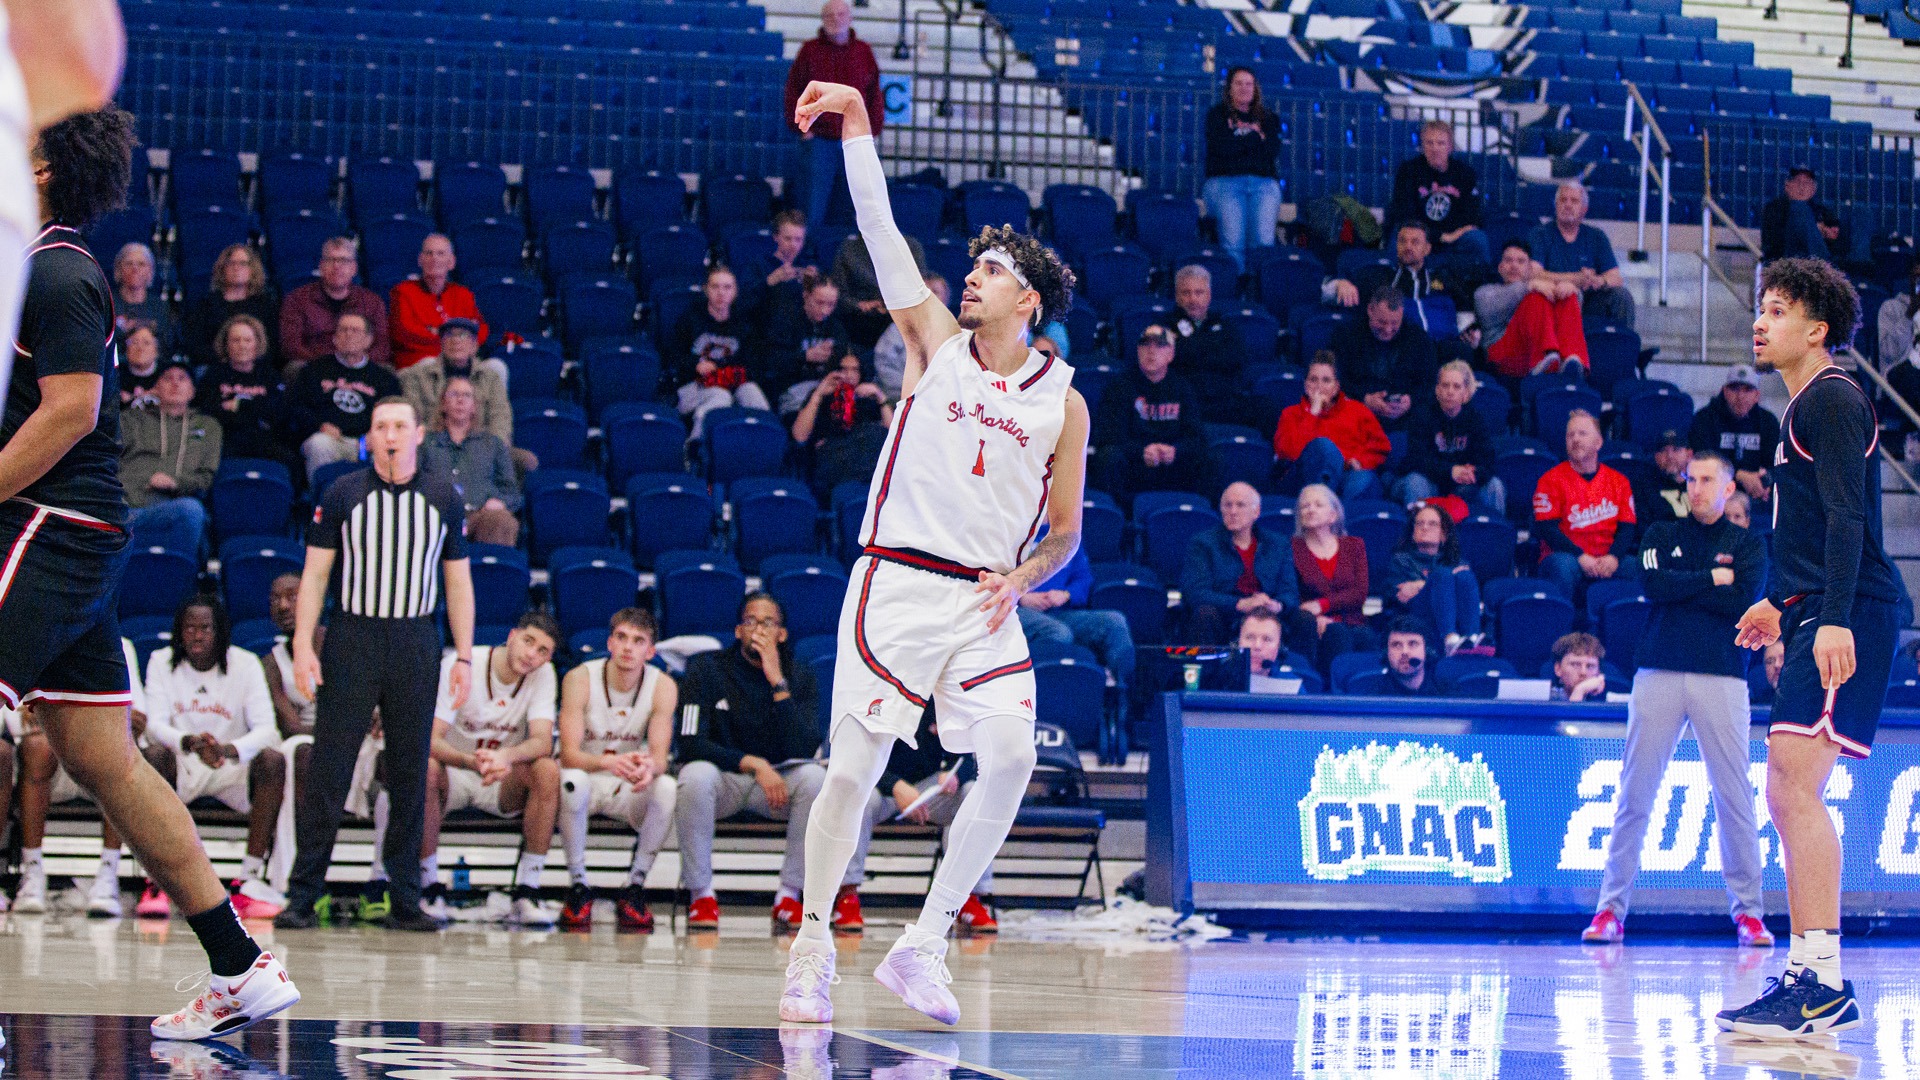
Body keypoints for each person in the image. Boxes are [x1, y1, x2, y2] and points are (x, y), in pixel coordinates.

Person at [783, 80, 1090, 1027]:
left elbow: (1067, 532)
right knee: (849, 774)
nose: (972, 278)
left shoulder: (1065, 402)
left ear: (1027, 299)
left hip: (982, 604)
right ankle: (811, 948)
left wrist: (1024, 578)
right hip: (896, 584)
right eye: (973, 267)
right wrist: (857, 125)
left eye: (990, 270)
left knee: (1009, 755)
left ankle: (923, 943)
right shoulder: (935, 343)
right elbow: (879, 229)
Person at [0, 105, 299, 1040]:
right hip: (75, 533)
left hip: (50, 525)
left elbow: (70, 412)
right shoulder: (31, 267)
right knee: (104, 759)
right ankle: (240, 966)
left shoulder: (57, 271)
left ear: (42, 170)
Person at [1722, 259, 1900, 1039]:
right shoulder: (1805, 405)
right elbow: (1807, 526)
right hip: (1820, 606)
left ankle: (1821, 981)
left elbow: (1847, 519)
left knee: (1794, 788)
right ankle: (1810, 976)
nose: (1760, 323)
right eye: (1761, 309)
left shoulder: (1831, 398)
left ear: (1816, 328)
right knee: (1787, 789)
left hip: (1847, 610)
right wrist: (1779, 598)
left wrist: (1831, 617)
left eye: (1777, 309)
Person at [276, 396, 476, 934]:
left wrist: (463, 654)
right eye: (381, 426)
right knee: (330, 768)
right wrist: (303, 643)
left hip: (416, 639)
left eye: (400, 426)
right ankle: (303, 895)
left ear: (418, 434)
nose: (390, 435)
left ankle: (405, 899)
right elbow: (315, 575)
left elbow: (458, 581)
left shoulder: (443, 497)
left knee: (410, 771)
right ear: (369, 436)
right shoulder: (342, 493)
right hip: (353, 636)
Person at [1582, 452, 1772, 948]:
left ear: (1728, 489)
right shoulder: (1660, 534)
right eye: (1691, 479)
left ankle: (1749, 914)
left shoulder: (1748, 544)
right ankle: (1609, 910)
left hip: (1722, 674)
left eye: (1707, 480)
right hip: (1659, 669)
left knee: (1734, 797)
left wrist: (1687, 586)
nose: (1697, 488)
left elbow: (1744, 601)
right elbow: (1653, 586)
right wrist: (1712, 578)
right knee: (1635, 794)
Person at [674, 593, 846, 930]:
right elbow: (690, 743)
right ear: (738, 630)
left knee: (814, 779)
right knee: (694, 776)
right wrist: (752, 763)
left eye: (768, 623)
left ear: (782, 634)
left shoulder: (800, 675)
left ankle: (789, 895)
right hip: (726, 779)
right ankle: (701, 895)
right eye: (751, 621)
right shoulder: (706, 669)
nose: (759, 629)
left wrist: (777, 682)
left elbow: (804, 746)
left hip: (778, 786)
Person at [140, 596, 287, 920]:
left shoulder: (246, 663)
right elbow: (154, 725)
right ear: (179, 632)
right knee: (153, 755)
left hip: (230, 763)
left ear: (219, 631)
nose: (196, 636)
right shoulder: (160, 661)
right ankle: (157, 882)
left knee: (273, 760)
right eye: (189, 628)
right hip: (183, 761)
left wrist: (228, 750)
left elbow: (267, 729)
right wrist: (190, 742)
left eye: (205, 628)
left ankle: (248, 879)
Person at [423, 611, 562, 926]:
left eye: (543, 651)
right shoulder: (462, 664)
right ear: (512, 636)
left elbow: (543, 742)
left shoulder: (544, 674)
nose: (532, 654)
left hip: (502, 778)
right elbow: (430, 739)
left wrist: (506, 757)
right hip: (455, 771)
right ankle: (428, 886)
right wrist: (470, 761)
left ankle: (528, 890)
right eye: (528, 641)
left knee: (546, 770)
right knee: (426, 767)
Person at [555, 607, 678, 932]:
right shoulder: (579, 678)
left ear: (650, 651)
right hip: (588, 778)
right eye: (621, 637)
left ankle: (635, 885)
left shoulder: (663, 686)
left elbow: (660, 758)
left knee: (666, 787)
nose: (628, 647)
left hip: (627, 786)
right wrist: (607, 762)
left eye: (638, 641)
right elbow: (568, 756)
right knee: (571, 781)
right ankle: (578, 885)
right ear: (609, 643)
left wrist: (649, 767)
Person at [8, 637, 145, 918]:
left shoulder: (117, 643)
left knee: (115, 748)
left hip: (97, 759)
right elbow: (13, 716)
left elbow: (139, 717)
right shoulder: (30, 636)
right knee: (37, 747)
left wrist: (62, 716)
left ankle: (107, 877)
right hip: (48, 765)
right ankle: (32, 875)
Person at [872, 704, 997, 932]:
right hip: (880, 788)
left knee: (972, 794)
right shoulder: (883, 693)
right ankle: (845, 895)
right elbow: (861, 757)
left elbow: (967, 758)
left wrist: (954, 775)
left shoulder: (943, 696)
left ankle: (968, 897)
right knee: (856, 799)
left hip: (927, 792)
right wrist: (895, 785)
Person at [783, 0, 881, 230]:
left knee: (850, 207)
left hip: (854, 141)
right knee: (813, 208)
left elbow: (874, 94)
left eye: (841, 14)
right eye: (830, 15)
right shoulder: (809, 51)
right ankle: (810, 252)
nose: (836, 19)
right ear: (822, 20)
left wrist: (872, 131)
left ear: (850, 18)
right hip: (819, 141)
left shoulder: (863, 52)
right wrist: (803, 129)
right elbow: (793, 91)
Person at [1017, 524, 1136, 712]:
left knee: (1113, 622)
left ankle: (1120, 698)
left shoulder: (1067, 537)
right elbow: (992, 577)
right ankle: (1044, 701)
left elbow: (1084, 579)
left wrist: (1067, 594)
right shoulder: (1013, 532)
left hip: (1060, 610)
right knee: (1058, 632)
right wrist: (1021, 597)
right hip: (1016, 611)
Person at [1093, 324, 1211, 503]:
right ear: (1138, 350)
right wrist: (1141, 452)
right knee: (1108, 457)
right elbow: (1108, 436)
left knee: (1210, 459)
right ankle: (1116, 513)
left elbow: (1196, 437)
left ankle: (1200, 512)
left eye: (1159, 345)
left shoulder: (1183, 388)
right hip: (1134, 463)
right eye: (1145, 344)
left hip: (1172, 463)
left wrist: (1176, 451)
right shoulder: (1119, 387)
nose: (1151, 350)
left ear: (1171, 354)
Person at [1534, 410, 1638, 605]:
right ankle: (1560, 622)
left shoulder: (1619, 481)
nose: (1575, 439)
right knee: (1563, 565)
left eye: (1582, 434)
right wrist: (1580, 557)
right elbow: (1547, 529)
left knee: (1637, 568)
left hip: (1606, 557)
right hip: (1567, 557)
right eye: (1570, 435)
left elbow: (1627, 528)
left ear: (1598, 443)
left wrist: (1614, 557)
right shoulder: (1550, 480)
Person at [287, 311, 403, 482]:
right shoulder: (313, 370)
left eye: (355, 330)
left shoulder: (384, 378)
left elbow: (395, 412)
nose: (349, 334)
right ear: (334, 338)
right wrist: (319, 425)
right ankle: (322, 497)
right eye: (343, 330)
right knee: (319, 444)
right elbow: (296, 408)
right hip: (329, 438)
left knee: (388, 450)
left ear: (368, 340)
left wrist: (379, 432)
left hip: (367, 441)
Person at [1181, 481, 1300, 645]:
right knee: (1205, 613)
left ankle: (1298, 662)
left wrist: (1277, 605)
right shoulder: (1202, 543)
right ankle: (1208, 661)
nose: (1233, 511)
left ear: (1256, 512)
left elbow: (1290, 591)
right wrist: (1239, 604)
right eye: (1227, 505)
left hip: (1267, 614)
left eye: (1240, 505)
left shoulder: (1278, 544)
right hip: (1225, 614)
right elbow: (1195, 593)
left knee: (1304, 618)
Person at [119, 362, 219, 556]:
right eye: (167, 378)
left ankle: (179, 571)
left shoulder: (208, 426)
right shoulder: (131, 419)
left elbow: (206, 478)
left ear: (193, 391)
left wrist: (175, 483)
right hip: (127, 507)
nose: (175, 383)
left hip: (172, 507)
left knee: (192, 510)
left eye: (182, 378)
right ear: (155, 388)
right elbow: (109, 461)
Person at [398, 316, 524, 466]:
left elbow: (500, 420)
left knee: (525, 461)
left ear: (475, 346)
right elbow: (414, 421)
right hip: (433, 452)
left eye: (463, 335)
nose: (456, 340)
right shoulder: (418, 376)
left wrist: (487, 451)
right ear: (441, 344)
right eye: (449, 335)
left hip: (481, 451)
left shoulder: (491, 377)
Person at [670, 264, 772, 438]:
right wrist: (695, 365)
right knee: (720, 396)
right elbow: (673, 358)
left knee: (753, 394)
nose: (721, 293)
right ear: (706, 290)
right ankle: (696, 445)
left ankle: (760, 445)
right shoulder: (690, 320)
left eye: (727, 287)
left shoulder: (744, 325)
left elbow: (753, 365)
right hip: (695, 386)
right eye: (715, 287)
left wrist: (722, 369)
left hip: (731, 381)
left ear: (735, 292)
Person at [419, 376, 521, 547]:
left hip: (480, 516)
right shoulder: (424, 443)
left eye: (466, 395)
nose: (460, 400)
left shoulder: (492, 444)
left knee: (501, 520)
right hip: (436, 516)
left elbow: (511, 492)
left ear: (474, 406)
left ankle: (489, 564)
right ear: (443, 404)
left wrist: (500, 502)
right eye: (454, 394)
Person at [1272, 354, 1387, 500]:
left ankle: (1333, 510)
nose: (1319, 386)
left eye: (1326, 380)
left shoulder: (1358, 411)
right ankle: (1321, 503)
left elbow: (1380, 447)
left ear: (1336, 387)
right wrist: (1312, 414)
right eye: (1313, 380)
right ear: (1305, 385)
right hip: (1302, 481)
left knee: (1364, 479)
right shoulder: (1290, 414)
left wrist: (1360, 461)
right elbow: (1290, 453)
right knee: (1323, 446)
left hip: (1345, 478)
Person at [1395, 360, 1503, 512]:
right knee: (1416, 481)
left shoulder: (1476, 419)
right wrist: (1451, 471)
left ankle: (1492, 526)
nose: (1450, 392)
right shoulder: (1422, 416)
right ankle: (1420, 525)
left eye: (1456, 386)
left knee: (1494, 485)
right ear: (1437, 390)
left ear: (1466, 393)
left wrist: (1474, 472)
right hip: (1429, 481)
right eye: (1445, 386)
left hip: (1461, 485)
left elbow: (1488, 461)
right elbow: (1416, 459)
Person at [1201, 66, 1280, 271]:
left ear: (1255, 88)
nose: (1244, 88)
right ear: (1229, 88)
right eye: (1238, 83)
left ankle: (1257, 286)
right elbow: (1223, 149)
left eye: (1248, 84)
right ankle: (1236, 285)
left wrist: (1239, 141)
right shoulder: (1216, 115)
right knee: (1232, 243)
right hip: (1226, 182)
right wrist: (1254, 137)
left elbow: (1271, 150)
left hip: (1262, 183)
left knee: (1262, 243)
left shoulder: (1269, 118)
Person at [1474, 238, 1588, 379]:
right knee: (1536, 296)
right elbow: (1487, 310)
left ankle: (1571, 360)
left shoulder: (1539, 286)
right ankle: (1545, 357)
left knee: (1567, 294)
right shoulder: (1485, 292)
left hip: (1535, 354)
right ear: (1500, 267)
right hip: (1502, 356)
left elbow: (1574, 308)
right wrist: (1529, 286)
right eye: (1508, 260)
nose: (1514, 266)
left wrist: (1572, 290)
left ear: (1529, 269)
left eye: (1521, 261)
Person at [279, 235, 391, 378]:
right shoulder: (297, 299)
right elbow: (290, 346)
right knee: (294, 368)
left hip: (361, 368)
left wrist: (356, 361)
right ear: (321, 266)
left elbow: (382, 346)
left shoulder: (372, 302)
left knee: (387, 371)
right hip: (315, 368)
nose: (337, 266)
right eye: (330, 260)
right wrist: (330, 364)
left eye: (344, 260)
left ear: (354, 268)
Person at [1387, 120, 1489, 277]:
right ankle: (1398, 280)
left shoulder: (1465, 173)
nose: (1435, 148)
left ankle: (1480, 282)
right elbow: (1405, 214)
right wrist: (1440, 236)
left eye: (1441, 143)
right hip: (1420, 234)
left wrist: (1453, 234)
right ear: (1422, 146)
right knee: (1399, 236)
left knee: (1477, 239)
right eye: (1429, 143)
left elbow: (1473, 215)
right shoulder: (1408, 171)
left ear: (1450, 147)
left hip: (1455, 236)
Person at [1528, 181, 1634, 330]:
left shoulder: (1597, 236)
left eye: (1574, 201)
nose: (1568, 205)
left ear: (1584, 209)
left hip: (1590, 303)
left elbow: (1616, 278)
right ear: (1556, 205)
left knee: (1622, 296)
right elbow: (1533, 274)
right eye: (1563, 200)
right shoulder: (1540, 234)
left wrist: (1600, 280)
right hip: (1554, 299)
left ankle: (1622, 343)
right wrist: (1575, 279)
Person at [1288, 484, 1372, 670]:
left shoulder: (1354, 545)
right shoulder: (1290, 548)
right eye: (1305, 506)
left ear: (1333, 515)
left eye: (1318, 505)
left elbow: (1359, 593)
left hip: (1351, 621)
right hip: (1309, 624)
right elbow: (1291, 593)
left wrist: (1322, 605)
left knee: (1355, 636)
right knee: (1334, 634)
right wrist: (1314, 618)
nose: (1310, 509)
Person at [1331, 285, 1436, 432]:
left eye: (1394, 323)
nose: (1387, 330)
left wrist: (1411, 400)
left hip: (1406, 420)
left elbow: (1429, 381)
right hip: (1357, 414)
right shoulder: (1346, 336)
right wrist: (1364, 399)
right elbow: (1334, 378)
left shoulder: (1418, 338)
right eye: (1382, 322)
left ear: (1402, 313)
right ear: (1370, 310)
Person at [789, 350, 892, 499]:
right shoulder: (820, 395)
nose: (849, 375)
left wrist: (880, 397)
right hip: (832, 464)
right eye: (844, 370)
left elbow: (894, 436)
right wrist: (818, 395)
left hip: (865, 463)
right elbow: (799, 436)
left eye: (855, 370)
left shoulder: (868, 398)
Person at [1383, 502, 1482, 654]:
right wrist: (1436, 582)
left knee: (1465, 576)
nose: (1425, 527)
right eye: (1419, 524)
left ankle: (1472, 638)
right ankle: (1449, 638)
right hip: (1416, 618)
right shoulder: (1400, 560)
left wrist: (1420, 585)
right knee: (1442, 575)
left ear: (1443, 534)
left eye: (1432, 524)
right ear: (1413, 533)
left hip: (1455, 616)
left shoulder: (1457, 562)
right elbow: (1400, 596)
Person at [193, 313, 289, 466]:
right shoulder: (213, 375)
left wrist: (236, 405)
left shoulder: (269, 376)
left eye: (247, 340)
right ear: (226, 345)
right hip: (224, 439)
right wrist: (253, 408)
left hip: (264, 440)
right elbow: (208, 411)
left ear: (257, 344)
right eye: (236, 340)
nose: (242, 345)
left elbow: (277, 413)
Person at [1331, 222, 1456, 334]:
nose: (1408, 247)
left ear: (1427, 249)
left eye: (1415, 242)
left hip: (1442, 343)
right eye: (1402, 241)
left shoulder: (1442, 277)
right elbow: (1328, 289)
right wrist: (1341, 283)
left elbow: (1462, 308)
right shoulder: (1378, 274)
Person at [389, 233, 488, 369]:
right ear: (420, 260)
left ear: (451, 262)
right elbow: (405, 334)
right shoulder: (403, 292)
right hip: (419, 364)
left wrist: (436, 331)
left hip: (461, 362)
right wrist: (456, 340)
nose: (434, 258)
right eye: (429, 253)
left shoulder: (463, 294)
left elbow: (480, 330)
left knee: (496, 367)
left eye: (440, 253)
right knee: (430, 364)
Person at [1688, 363, 1779, 507]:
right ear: (1724, 391)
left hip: (1758, 494)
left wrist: (1766, 479)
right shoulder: (1705, 419)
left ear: (1757, 395)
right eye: (1734, 389)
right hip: (1715, 493)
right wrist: (1739, 475)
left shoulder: (1768, 422)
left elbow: (1778, 462)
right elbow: (1702, 458)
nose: (1740, 396)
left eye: (1747, 390)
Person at [1169, 263, 1250, 415]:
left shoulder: (1224, 325)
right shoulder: (1165, 326)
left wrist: (1191, 348)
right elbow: (1172, 360)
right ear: (1177, 297)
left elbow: (1237, 358)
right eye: (1186, 293)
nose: (1193, 299)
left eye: (1199, 293)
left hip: (1224, 399)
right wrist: (1213, 347)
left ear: (1209, 296)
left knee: (1266, 407)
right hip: (1185, 403)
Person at [834, 230, 931, 349]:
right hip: (858, 317)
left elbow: (919, 286)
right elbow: (838, 293)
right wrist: (859, 305)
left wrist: (889, 304)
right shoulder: (848, 249)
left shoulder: (911, 246)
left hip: (899, 313)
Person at [186, 243, 278, 368]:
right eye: (231, 263)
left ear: (253, 269)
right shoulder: (207, 304)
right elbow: (196, 345)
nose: (236, 268)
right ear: (222, 269)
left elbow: (273, 345)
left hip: (257, 367)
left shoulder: (266, 304)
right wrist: (227, 360)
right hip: (217, 366)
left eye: (243, 263)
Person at [770, 272, 854, 409]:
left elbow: (843, 359)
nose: (825, 310)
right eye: (819, 302)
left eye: (831, 305)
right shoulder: (787, 321)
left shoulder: (836, 327)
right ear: (806, 296)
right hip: (793, 389)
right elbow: (771, 362)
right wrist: (805, 356)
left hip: (827, 387)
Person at [875, 274, 945, 400]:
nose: (929, 296)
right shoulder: (898, 329)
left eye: (935, 292)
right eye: (925, 291)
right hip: (903, 398)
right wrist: (916, 392)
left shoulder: (957, 333)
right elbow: (884, 365)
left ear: (945, 299)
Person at [750, 209, 819, 325]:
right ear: (775, 237)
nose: (793, 245)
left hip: (801, 328)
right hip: (767, 326)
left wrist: (816, 285)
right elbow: (744, 302)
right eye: (787, 238)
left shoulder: (808, 265)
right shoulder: (759, 265)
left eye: (798, 239)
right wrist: (770, 281)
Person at [1760, 168, 1844, 264]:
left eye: (1807, 183)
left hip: (1817, 259)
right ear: (1787, 186)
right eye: (1797, 182)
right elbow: (1774, 239)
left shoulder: (1822, 211)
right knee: (1799, 208)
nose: (1802, 187)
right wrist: (1816, 229)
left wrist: (1827, 233)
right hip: (1784, 260)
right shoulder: (1774, 208)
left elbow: (1836, 235)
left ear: (1813, 189)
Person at [112, 241, 171, 353]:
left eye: (141, 264)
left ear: (150, 271)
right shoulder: (108, 304)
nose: (135, 269)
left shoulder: (160, 307)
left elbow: (167, 344)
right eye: (129, 263)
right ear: (119, 269)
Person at [1875, 253, 1918, 370]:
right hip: (1898, 376)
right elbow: (1889, 354)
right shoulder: (1891, 308)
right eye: (1918, 277)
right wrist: (1909, 314)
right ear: (1910, 278)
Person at [1379, 618, 1440, 697]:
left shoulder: (1447, 692)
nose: (1405, 652)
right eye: (1397, 645)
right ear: (1386, 653)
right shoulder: (1372, 696)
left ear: (1427, 650)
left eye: (1413, 644)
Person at [1550, 632, 1608, 701]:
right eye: (1575, 665)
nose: (1583, 672)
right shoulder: (1544, 699)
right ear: (1558, 669)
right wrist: (1580, 690)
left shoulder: (1608, 702)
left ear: (1599, 672)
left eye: (1590, 666)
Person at [117, 320, 162, 408]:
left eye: (146, 343)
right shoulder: (114, 374)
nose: (140, 348)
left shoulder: (166, 374)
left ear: (156, 350)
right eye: (134, 342)